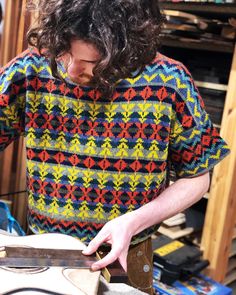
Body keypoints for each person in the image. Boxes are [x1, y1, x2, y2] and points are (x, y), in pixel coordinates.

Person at [0, 0, 230, 294]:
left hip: (127, 258)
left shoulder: (169, 82)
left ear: (123, 48)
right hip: (42, 253)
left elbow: (198, 177)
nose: (71, 70)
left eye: (89, 63)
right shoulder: (31, 69)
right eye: (64, 53)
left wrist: (135, 221)